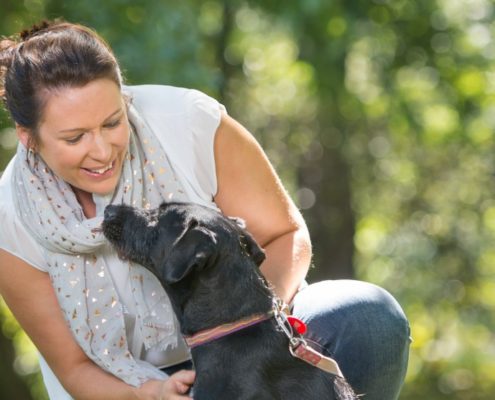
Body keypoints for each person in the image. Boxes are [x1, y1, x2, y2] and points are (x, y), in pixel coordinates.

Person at [0, 20, 410, 400]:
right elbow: (73, 368)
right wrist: (152, 393)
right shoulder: (9, 218)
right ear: (28, 137)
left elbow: (284, 235)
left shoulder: (188, 121)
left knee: (368, 318)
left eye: (112, 122)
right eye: (75, 138)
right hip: (128, 386)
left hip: (251, 339)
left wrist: (250, 335)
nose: (103, 150)